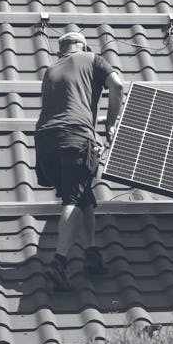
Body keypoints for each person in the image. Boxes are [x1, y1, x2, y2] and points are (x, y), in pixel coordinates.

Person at [35, 31, 124, 291]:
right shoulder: (92, 59)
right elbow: (117, 86)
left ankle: (91, 253)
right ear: (83, 46)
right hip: (75, 137)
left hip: (45, 143)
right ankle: (60, 263)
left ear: (61, 50)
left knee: (83, 196)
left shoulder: (50, 70)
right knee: (73, 199)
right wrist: (110, 124)